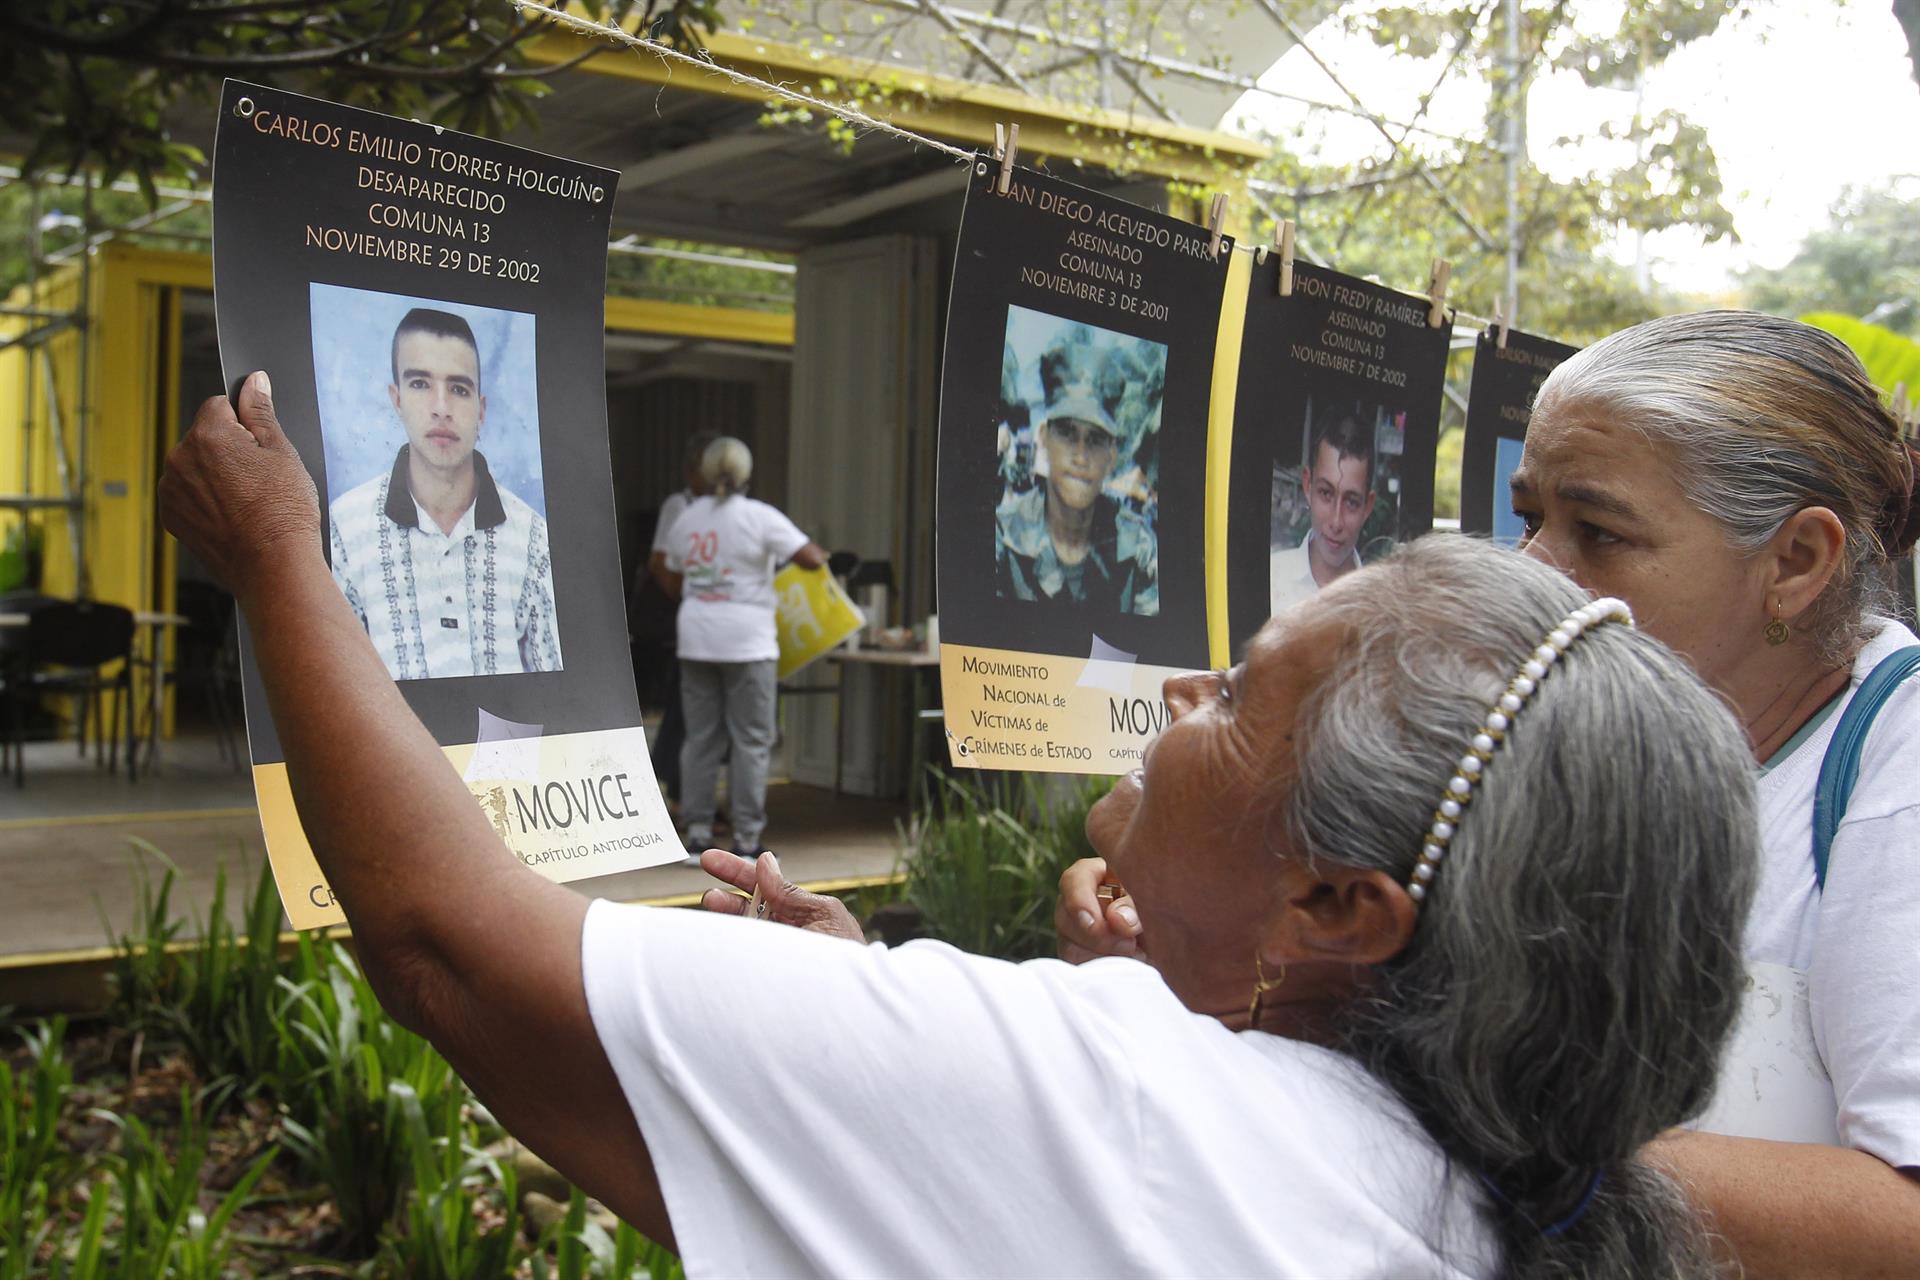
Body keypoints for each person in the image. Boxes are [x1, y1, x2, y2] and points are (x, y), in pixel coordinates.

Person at [161, 381, 1758, 1278]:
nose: (1185, 687)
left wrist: (282, 563)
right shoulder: (1468, 1194)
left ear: (1339, 909)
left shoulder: (1127, 1103)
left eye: (1242, 698)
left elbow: (450, 948)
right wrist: (872, 1014)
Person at [1066, 311, 1920, 1275]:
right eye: (1530, 519)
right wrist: (1202, 927)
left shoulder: (1894, 775)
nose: (1536, 571)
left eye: (1597, 531)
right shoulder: (1548, 742)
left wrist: (1448, 1140)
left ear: (1796, 561)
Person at [327, 307, 560, 680]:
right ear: (397, 399)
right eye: (420, 383)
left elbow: (555, 688)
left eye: (458, 388)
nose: (441, 408)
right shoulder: (345, 529)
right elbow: (334, 685)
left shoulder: (533, 537)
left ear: (480, 410)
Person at [661, 438, 824, 859]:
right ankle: (747, 839)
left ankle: (697, 834)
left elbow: (672, 566)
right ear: (746, 474)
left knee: (700, 738)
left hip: (697, 638)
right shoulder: (759, 516)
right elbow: (810, 559)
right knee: (752, 740)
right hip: (748, 641)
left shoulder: (688, 517)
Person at [629, 430, 719, 810]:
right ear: (691, 470)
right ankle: (680, 794)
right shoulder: (678, 506)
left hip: (713, 628)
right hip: (680, 626)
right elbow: (660, 563)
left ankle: (685, 792)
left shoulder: (730, 509)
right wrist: (692, 598)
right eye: (709, 467)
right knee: (685, 713)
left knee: (696, 715)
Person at [1269, 409, 1376, 613]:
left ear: (1368, 506)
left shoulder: (1377, 607)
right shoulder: (1272, 575)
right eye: (1326, 493)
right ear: (1307, 485)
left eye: (1352, 502)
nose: (1336, 522)